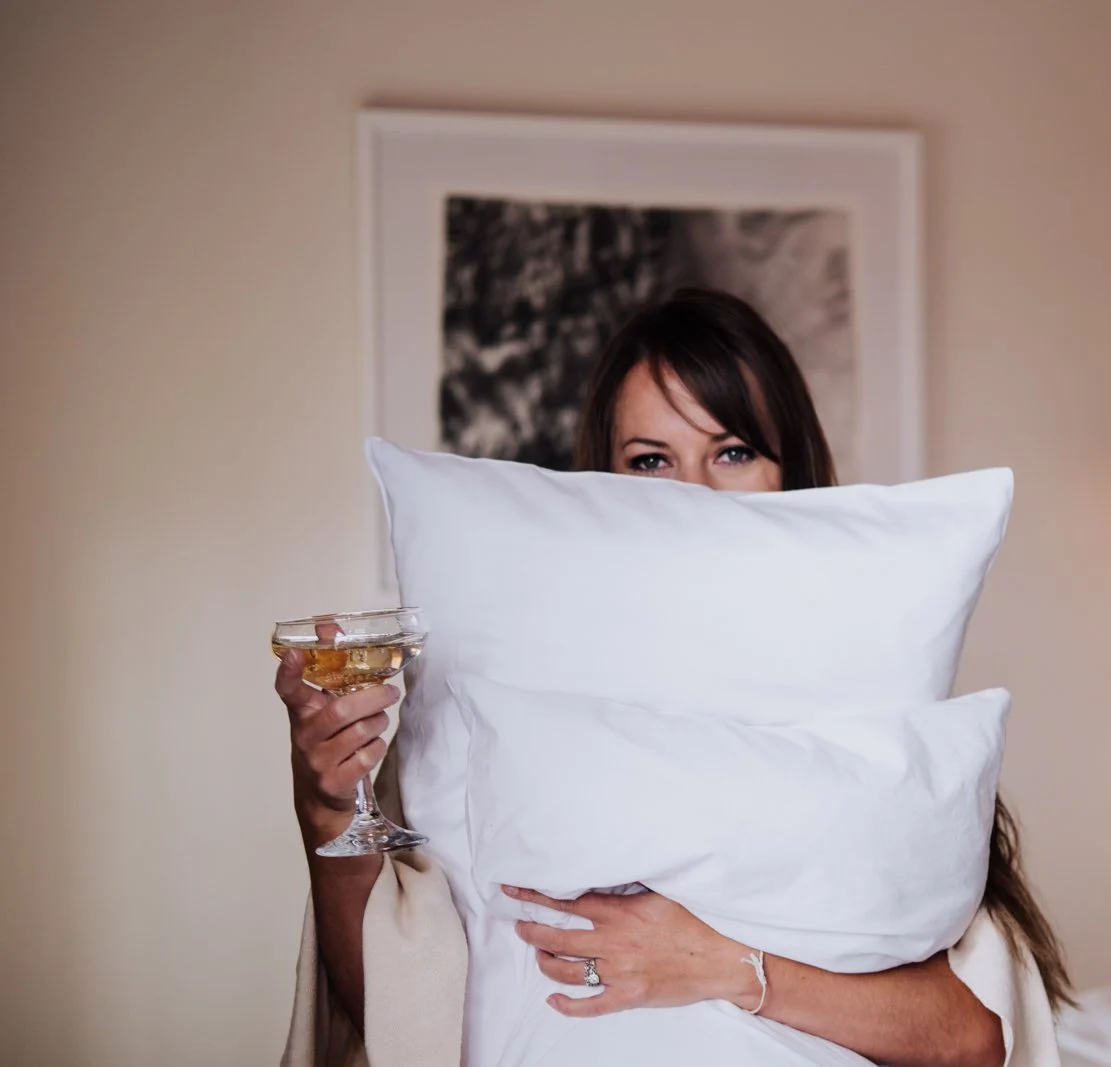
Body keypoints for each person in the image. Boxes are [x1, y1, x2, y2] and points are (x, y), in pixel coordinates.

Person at [280, 288, 1069, 1067]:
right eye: (651, 461)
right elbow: (391, 1007)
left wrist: (724, 964)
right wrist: (324, 802)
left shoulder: (867, 696)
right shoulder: (500, 703)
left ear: (793, 473)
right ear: (598, 487)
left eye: (733, 452)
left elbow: (971, 1036)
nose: (693, 494)